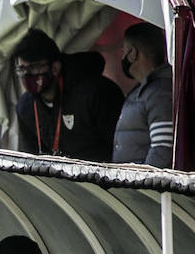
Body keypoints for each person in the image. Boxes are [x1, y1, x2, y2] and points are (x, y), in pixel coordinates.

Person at [12, 28, 124, 163]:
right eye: (21, 69)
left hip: (103, 178)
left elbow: (121, 148)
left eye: (34, 67)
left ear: (55, 68)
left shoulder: (96, 93)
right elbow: (30, 160)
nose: (27, 75)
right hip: (59, 182)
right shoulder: (25, 107)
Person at [111, 22, 174, 167]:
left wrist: (142, 187)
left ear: (132, 54)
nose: (122, 57)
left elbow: (163, 149)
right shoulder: (145, 90)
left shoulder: (159, 92)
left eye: (123, 51)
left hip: (142, 188)